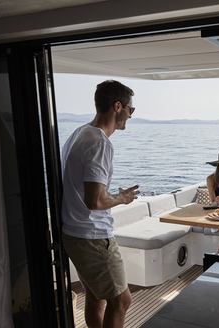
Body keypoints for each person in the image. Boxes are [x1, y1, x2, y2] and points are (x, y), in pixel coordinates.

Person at [61, 80, 139, 328]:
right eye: (131, 109)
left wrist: (112, 196)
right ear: (118, 106)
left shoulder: (79, 133)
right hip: (93, 236)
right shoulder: (99, 143)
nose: (131, 115)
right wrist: (122, 199)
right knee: (122, 300)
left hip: (74, 233)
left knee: (96, 298)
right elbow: (94, 200)